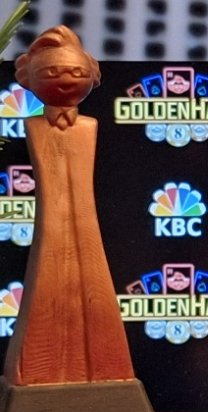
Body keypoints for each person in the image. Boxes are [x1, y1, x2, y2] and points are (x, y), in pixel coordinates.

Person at [4, 25, 134, 385]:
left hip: (85, 228)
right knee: (47, 284)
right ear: (29, 77)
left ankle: (102, 367)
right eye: (51, 72)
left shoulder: (88, 127)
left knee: (93, 287)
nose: (64, 80)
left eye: (76, 73)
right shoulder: (35, 127)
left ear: (91, 76)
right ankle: (39, 368)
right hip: (52, 231)